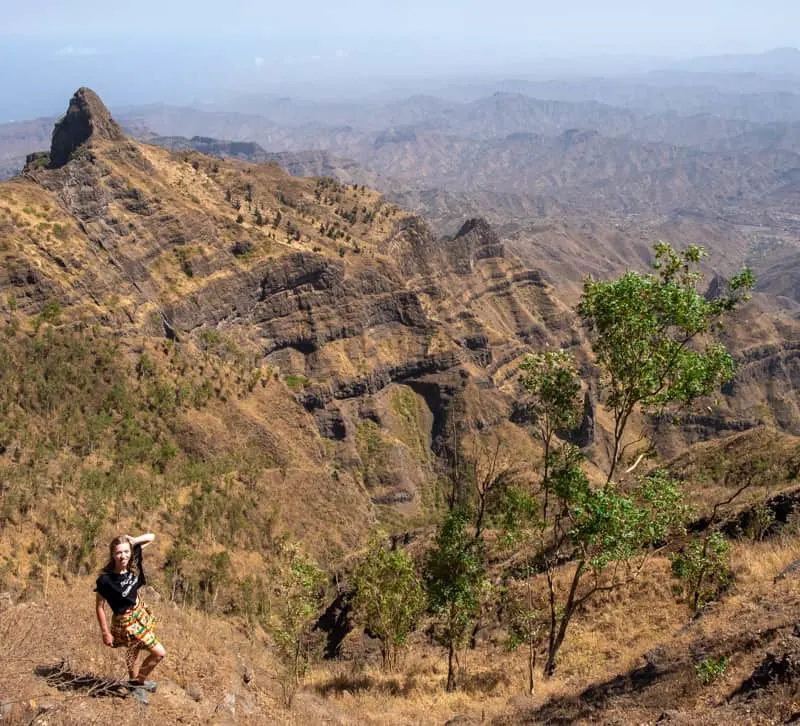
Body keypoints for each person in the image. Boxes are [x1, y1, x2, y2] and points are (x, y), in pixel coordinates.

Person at [95, 533, 166, 701]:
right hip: (125, 622)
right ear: (112, 554)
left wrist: (132, 541)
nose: (123, 556)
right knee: (159, 653)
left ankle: (134, 680)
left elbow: (152, 536)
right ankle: (138, 683)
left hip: (139, 613)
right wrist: (105, 632)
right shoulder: (106, 580)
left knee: (133, 649)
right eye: (119, 552)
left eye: (126, 552)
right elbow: (99, 606)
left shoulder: (131, 562)